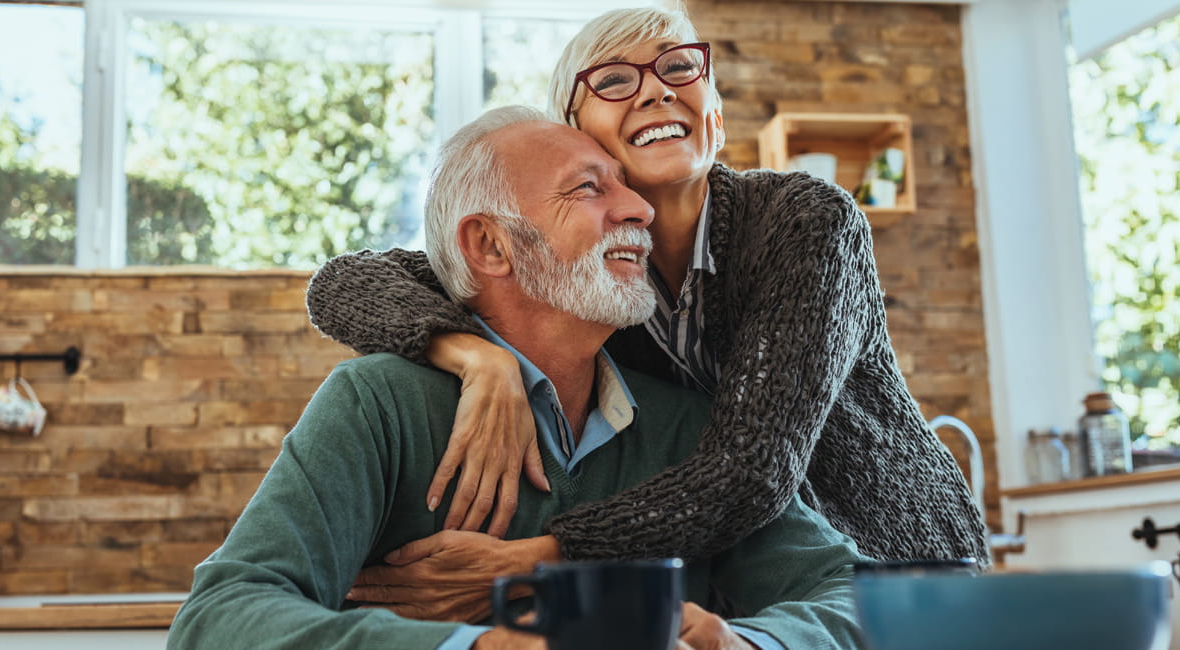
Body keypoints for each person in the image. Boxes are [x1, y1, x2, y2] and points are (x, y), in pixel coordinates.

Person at [305, 4, 987, 601]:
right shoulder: (588, 277)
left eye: (679, 70)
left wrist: (536, 563)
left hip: (897, 565)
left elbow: (750, 471)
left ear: (713, 115)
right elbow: (344, 282)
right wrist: (478, 358)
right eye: (614, 80)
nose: (657, 91)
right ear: (573, 131)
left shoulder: (806, 223)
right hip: (746, 582)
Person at [168, 106, 868, 650]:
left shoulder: (686, 426)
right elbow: (220, 618)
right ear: (491, 245)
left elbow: (847, 593)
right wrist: (481, 646)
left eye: (625, 187)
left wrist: (749, 639)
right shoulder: (379, 404)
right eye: (589, 189)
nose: (639, 209)